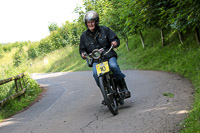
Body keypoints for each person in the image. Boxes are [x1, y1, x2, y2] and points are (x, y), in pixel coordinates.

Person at [79, 11, 131, 103]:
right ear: (86, 23)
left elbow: (115, 39)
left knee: (114, 66)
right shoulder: (83, 36)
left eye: (92, 22)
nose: (90, 24)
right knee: (95, 74)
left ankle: (124, 88)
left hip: (108, 55)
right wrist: (83, 54)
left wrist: (115, 42)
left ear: (96, 22)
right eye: (88, 22)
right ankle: (106, 92)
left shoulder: (105, 29)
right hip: (96, 59)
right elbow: (82, 49)